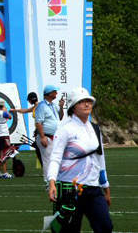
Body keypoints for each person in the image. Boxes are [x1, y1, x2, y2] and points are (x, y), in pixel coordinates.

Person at [47, 87, 113, 233]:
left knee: (105, 226)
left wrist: (106, 189)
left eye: (88, 101)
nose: (87, 104)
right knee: (67, 230)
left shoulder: (95, 129)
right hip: (69, 189)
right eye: (82, 101)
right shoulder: (64, 129)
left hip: (93, 188)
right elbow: (55, 158)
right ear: (73, 106)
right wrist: (51, 182)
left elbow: (100, 161)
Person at [35, 84, 65, 188]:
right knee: (47, 160)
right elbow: (38, 122)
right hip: (46, 136)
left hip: (54, 137)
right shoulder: (41, 106)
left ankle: (54, 181)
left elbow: (60, 117)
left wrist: (61, 107)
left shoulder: (53, 105)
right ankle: (48, 183)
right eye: (55, 91)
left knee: (54, 159)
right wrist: (42, 137)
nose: (56, 93)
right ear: (50, 93)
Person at [10, 92, 43, 167]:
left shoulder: (40, 106)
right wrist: (14, 110)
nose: (29, 102)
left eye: (29, 100)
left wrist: (38, 130)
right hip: (38, 131)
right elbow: (25, 110)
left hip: (42, 131)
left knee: (41, 152)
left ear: (31, 100)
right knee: (39, 151)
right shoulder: (35, 107)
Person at [0, 98, 18, 179]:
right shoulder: (3, 113)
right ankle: (5, 172)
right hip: (4, 134)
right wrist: (6, 111)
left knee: (0, 153)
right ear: (2, 105)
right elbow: (10, 117)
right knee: (6, 153)